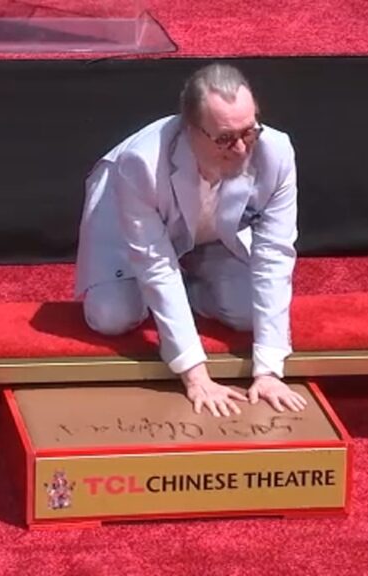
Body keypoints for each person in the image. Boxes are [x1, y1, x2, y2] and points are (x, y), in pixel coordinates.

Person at [73, 63, 307, 418]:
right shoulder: (140, 163)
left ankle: (190, 293)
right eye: (226, 138)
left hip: (210, 230)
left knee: (246, 313)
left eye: (250, 131)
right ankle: (155, 302)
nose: (242, 148)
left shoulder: (276, 152)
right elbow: (155, 263)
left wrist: (270, 369)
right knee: (111, 316)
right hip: (126, 223)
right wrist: (194, 374)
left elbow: (275, 254)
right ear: (189, 129)